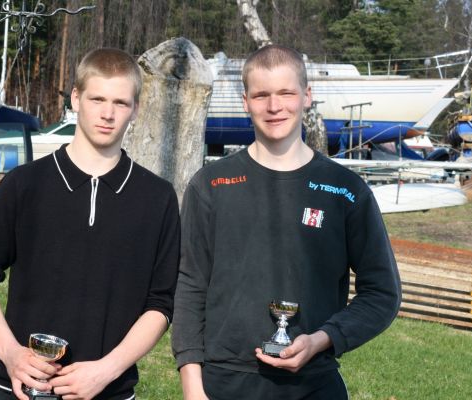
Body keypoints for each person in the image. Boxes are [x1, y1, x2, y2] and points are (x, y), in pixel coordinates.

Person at [171, 44, 401, 399]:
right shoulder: (210, 185)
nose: (274, 106)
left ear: (306, 96)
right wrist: (192, 386)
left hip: (314, 384)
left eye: (286, 93)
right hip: (224, 383)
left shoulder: (346, 190)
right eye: (261, 95)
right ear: (245, 102)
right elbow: (189, 286)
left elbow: (383, 293)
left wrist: (323, 339)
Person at [0, 48, 180, 400]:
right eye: (97, 99)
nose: (107, 114)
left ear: (136, 109)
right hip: (19, 389)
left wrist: (106, 370)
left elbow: (161, 304)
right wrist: (11, 353)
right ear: (76, 98)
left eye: (120, 103)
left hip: (109, 392)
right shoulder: (24, 184)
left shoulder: (158, 198)